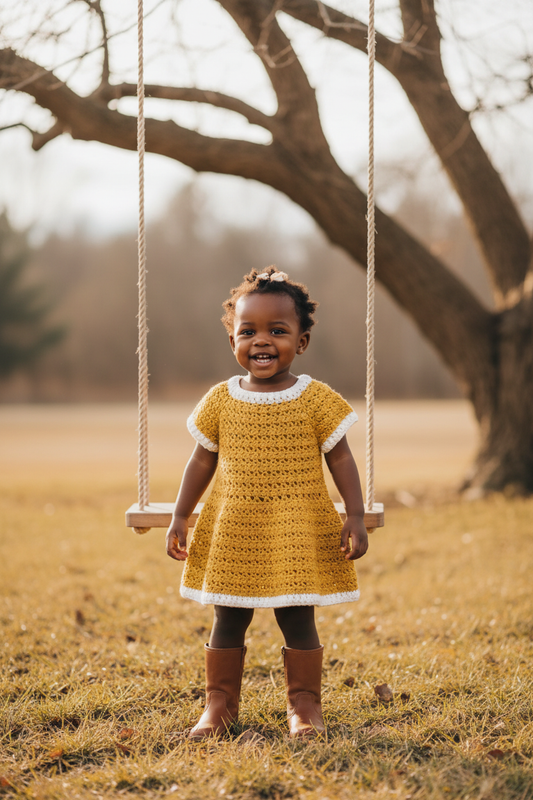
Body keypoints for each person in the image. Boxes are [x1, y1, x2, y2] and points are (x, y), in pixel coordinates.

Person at [166, 266, 369, 739]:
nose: (262, 341)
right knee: (227, 616)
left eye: (278, 331)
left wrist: (354, 514)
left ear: (301, 342)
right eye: (249, 331)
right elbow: (201, 462)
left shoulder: (316, 398)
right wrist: (180, 513)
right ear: (233, 340)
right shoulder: (221, 400)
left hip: (295, 528)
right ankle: (220, 704)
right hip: (235, 527)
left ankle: (304, 705)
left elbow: (341, 460)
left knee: (297, 615)